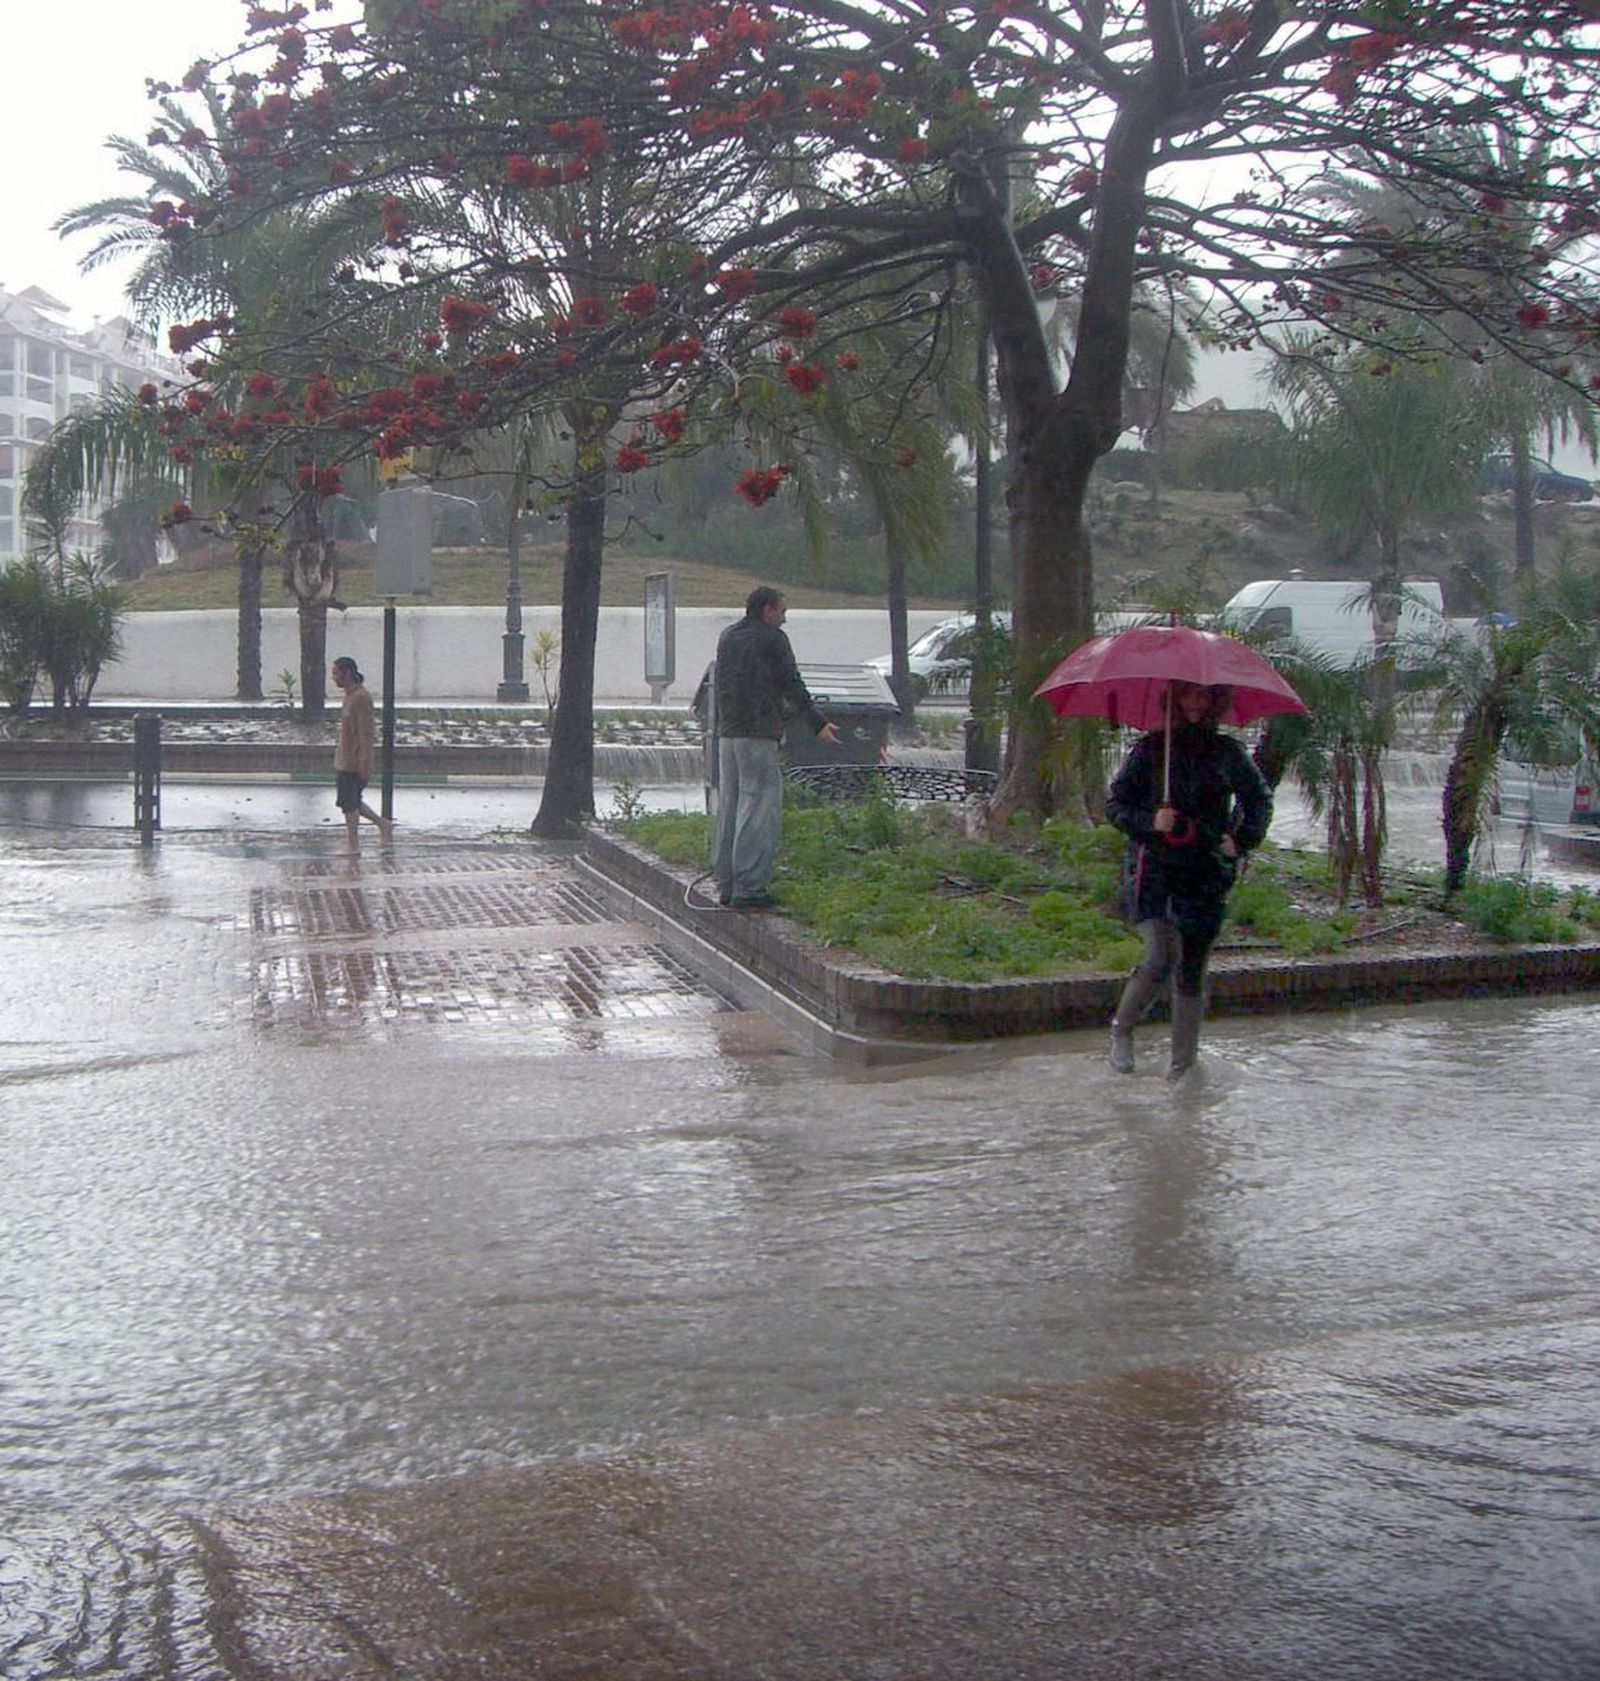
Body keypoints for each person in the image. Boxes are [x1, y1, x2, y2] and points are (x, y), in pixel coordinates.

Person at [1105, 681, 1271, 1078]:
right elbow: (1115, 806)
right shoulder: (1150, 750)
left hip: (1206, 868)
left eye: (1204, 695)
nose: (1195, 703)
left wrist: (1241, 839)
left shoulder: (1228, 753)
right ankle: (1122, 1030)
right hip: (1154, 867)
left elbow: (1259, 800)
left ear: (1216, 701)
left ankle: (1183, 1065)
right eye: (1188, 694)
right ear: (1174, 698)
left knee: (1193, 963)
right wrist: (1149, 822)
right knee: (1160, 952)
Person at [711, 586, 839, 908]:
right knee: (759, 807)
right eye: (782, 612)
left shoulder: (728, 637)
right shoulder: (773, 640)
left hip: (728, 734)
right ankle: (750, 888)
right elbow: (790, 683)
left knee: (731, 805)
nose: (784, 619)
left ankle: (726, 883)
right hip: (758, 734)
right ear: (767, 610)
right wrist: (817, 723)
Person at [330, 656, 394, 853]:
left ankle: (353, 842)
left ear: (348, 673)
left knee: (349, 803)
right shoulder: (349, 696)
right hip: (345, 758)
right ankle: (382, 824)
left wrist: (365, 760)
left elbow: (366, 733)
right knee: (350, 800)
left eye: (336, 673)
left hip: (354, 760)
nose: (334, 678)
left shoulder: (361, 698)